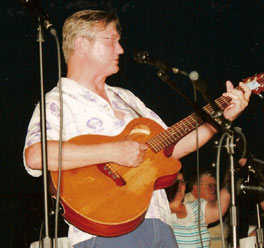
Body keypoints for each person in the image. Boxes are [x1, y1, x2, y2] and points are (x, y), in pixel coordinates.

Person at [23, 9, 251, 248]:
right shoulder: (58, 100)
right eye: (111, 40)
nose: (120, 49)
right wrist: (112, 152)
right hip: (106, 231)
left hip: (161, 225)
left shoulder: (126, 97)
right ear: (81, 44)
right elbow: (36, 155)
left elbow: (171, 149)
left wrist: (220, 119)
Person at [166, 171, 231, 247]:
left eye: (182, 182)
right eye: (175, 182)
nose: (179, 185)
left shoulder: (195, 208)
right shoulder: (159, 212)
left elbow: (220, 207)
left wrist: (233, 174)